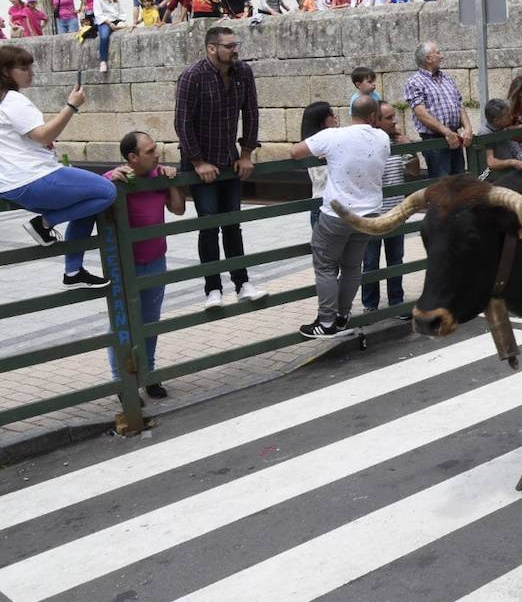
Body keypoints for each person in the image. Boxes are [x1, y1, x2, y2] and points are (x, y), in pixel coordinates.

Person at [0, 45, 114, 287]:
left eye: (31, 67)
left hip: (12, 184)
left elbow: (22, 140)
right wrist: (71, 106)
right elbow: (41, 134)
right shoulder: (14, 100)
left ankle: (73, 272)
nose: (30, 72)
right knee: (106, 191)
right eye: (23, 68)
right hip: (33, 178)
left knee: (87, 206)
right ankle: (43, 224)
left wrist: (41, 145)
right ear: (6, 72)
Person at [174, 25, 268, 309]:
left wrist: (246, 153)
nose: (235, 49)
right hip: (200, 160)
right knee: (209, 224)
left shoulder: (243, 73)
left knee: (232, 224)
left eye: (236, 44)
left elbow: (251, 113)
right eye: (229, 46)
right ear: (212, 48)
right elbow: (182, 123)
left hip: (229, 159)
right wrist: (198, 162)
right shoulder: (193, 77)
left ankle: (242, 283)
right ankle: (212, 289)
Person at [291, 95, 391, 338]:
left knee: (324, 265)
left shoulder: (333, 136)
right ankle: (342, 316)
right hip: (369, 214)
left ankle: (325, 323)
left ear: (351, 113)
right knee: (352, 266)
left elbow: (296, 152)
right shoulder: (383, 137)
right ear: (373, 117)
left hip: (337, 214)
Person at [104, 131, 186, 399]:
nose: (157, 154)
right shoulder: (116, 180)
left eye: (155, 149)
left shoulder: (158, 176)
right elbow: (96, 198)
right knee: (122, 323)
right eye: (150, 151)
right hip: (125, 264)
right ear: (132, 157)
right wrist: (109, 181)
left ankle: (149, 374)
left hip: (156, 259)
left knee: (151, 321)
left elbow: (178, 209)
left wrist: (173, 182)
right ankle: (122, 383)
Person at [361, 100, 418, 314]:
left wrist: (409, 148)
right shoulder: (368, 144)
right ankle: (370, 306)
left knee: (396, 259)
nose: (395, 121)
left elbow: (413, 171)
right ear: (375, 120)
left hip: (396, 211)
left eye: (394, 116)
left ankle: (397, 302)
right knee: (371, 261)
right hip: (373, 212)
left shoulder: (397, 143)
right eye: (389, 118)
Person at [405, 40, 473, 176]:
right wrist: (446, 132)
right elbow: (421, 113)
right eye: (438, 53)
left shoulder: (447, 78)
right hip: (434, 140)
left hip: (454, 135)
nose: (442, 56)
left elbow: (459, 104)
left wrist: (468, 128)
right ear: (428, 59)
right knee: (442, 185)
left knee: (460, 181)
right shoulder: (414, 82)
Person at [300, 101, 337, 228]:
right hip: (323, 205)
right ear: (321, 121)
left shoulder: (333, 141)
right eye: (331, 114)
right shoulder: (315, 147)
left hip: (337, 204)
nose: (335, 117)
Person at [478, 98, 522, 173]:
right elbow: (491, 162)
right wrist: (513, 162)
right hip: (495, 177)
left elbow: (507, 129)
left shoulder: (499, 127)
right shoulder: (486, 133)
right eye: (508, 116)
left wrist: (521, 126)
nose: (511, 118)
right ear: (496, 120)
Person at [92, 0, 127, 73]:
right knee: (104, 36)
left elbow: (121, 12)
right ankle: (103, 61)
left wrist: (120, 21)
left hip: (116, 20)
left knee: (128, 29)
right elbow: (98, 14)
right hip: (105, 21)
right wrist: (109, 23)